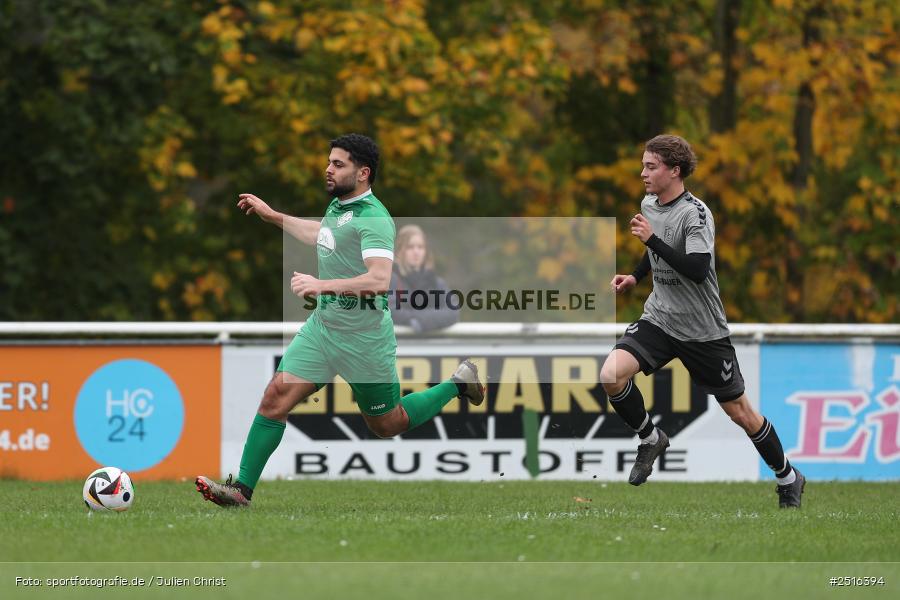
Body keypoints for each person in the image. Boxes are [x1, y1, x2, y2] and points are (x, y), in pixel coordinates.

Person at [195, 134, 484, 507]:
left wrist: (321, 285)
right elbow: (321, 235)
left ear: (363, 173)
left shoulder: (376, 219)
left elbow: (379, 279)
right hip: (323, 330)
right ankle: (241, 490)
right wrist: (273, 216)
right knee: (274, 399)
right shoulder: (339, 208)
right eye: (329, 162)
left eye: (338, 164)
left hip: (364, 340)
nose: (327, 169)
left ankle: (459, 384)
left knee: (387, 424)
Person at [600, 134, 805, 508]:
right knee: (612, 374)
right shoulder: (649, 202)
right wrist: (634, 276)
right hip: (660, 318)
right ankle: (650, 438)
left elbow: (696, 268)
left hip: (702, 331)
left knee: (741, 414)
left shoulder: (696, 214)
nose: (642, 173)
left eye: (651, 166)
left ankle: (788, 476)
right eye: (643, 165)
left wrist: (651, 240)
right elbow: (656, 251)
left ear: (674, 171)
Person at [389, 224, 460, 333]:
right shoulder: (389, 279)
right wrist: (415, 320)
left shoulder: (436, 282)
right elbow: (390, 311)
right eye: (410, 247)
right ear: (399, 250)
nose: (416, 252)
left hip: (431, 347)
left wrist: (419, 321)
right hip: (400, 347)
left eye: (420, 247)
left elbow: (452, 311)